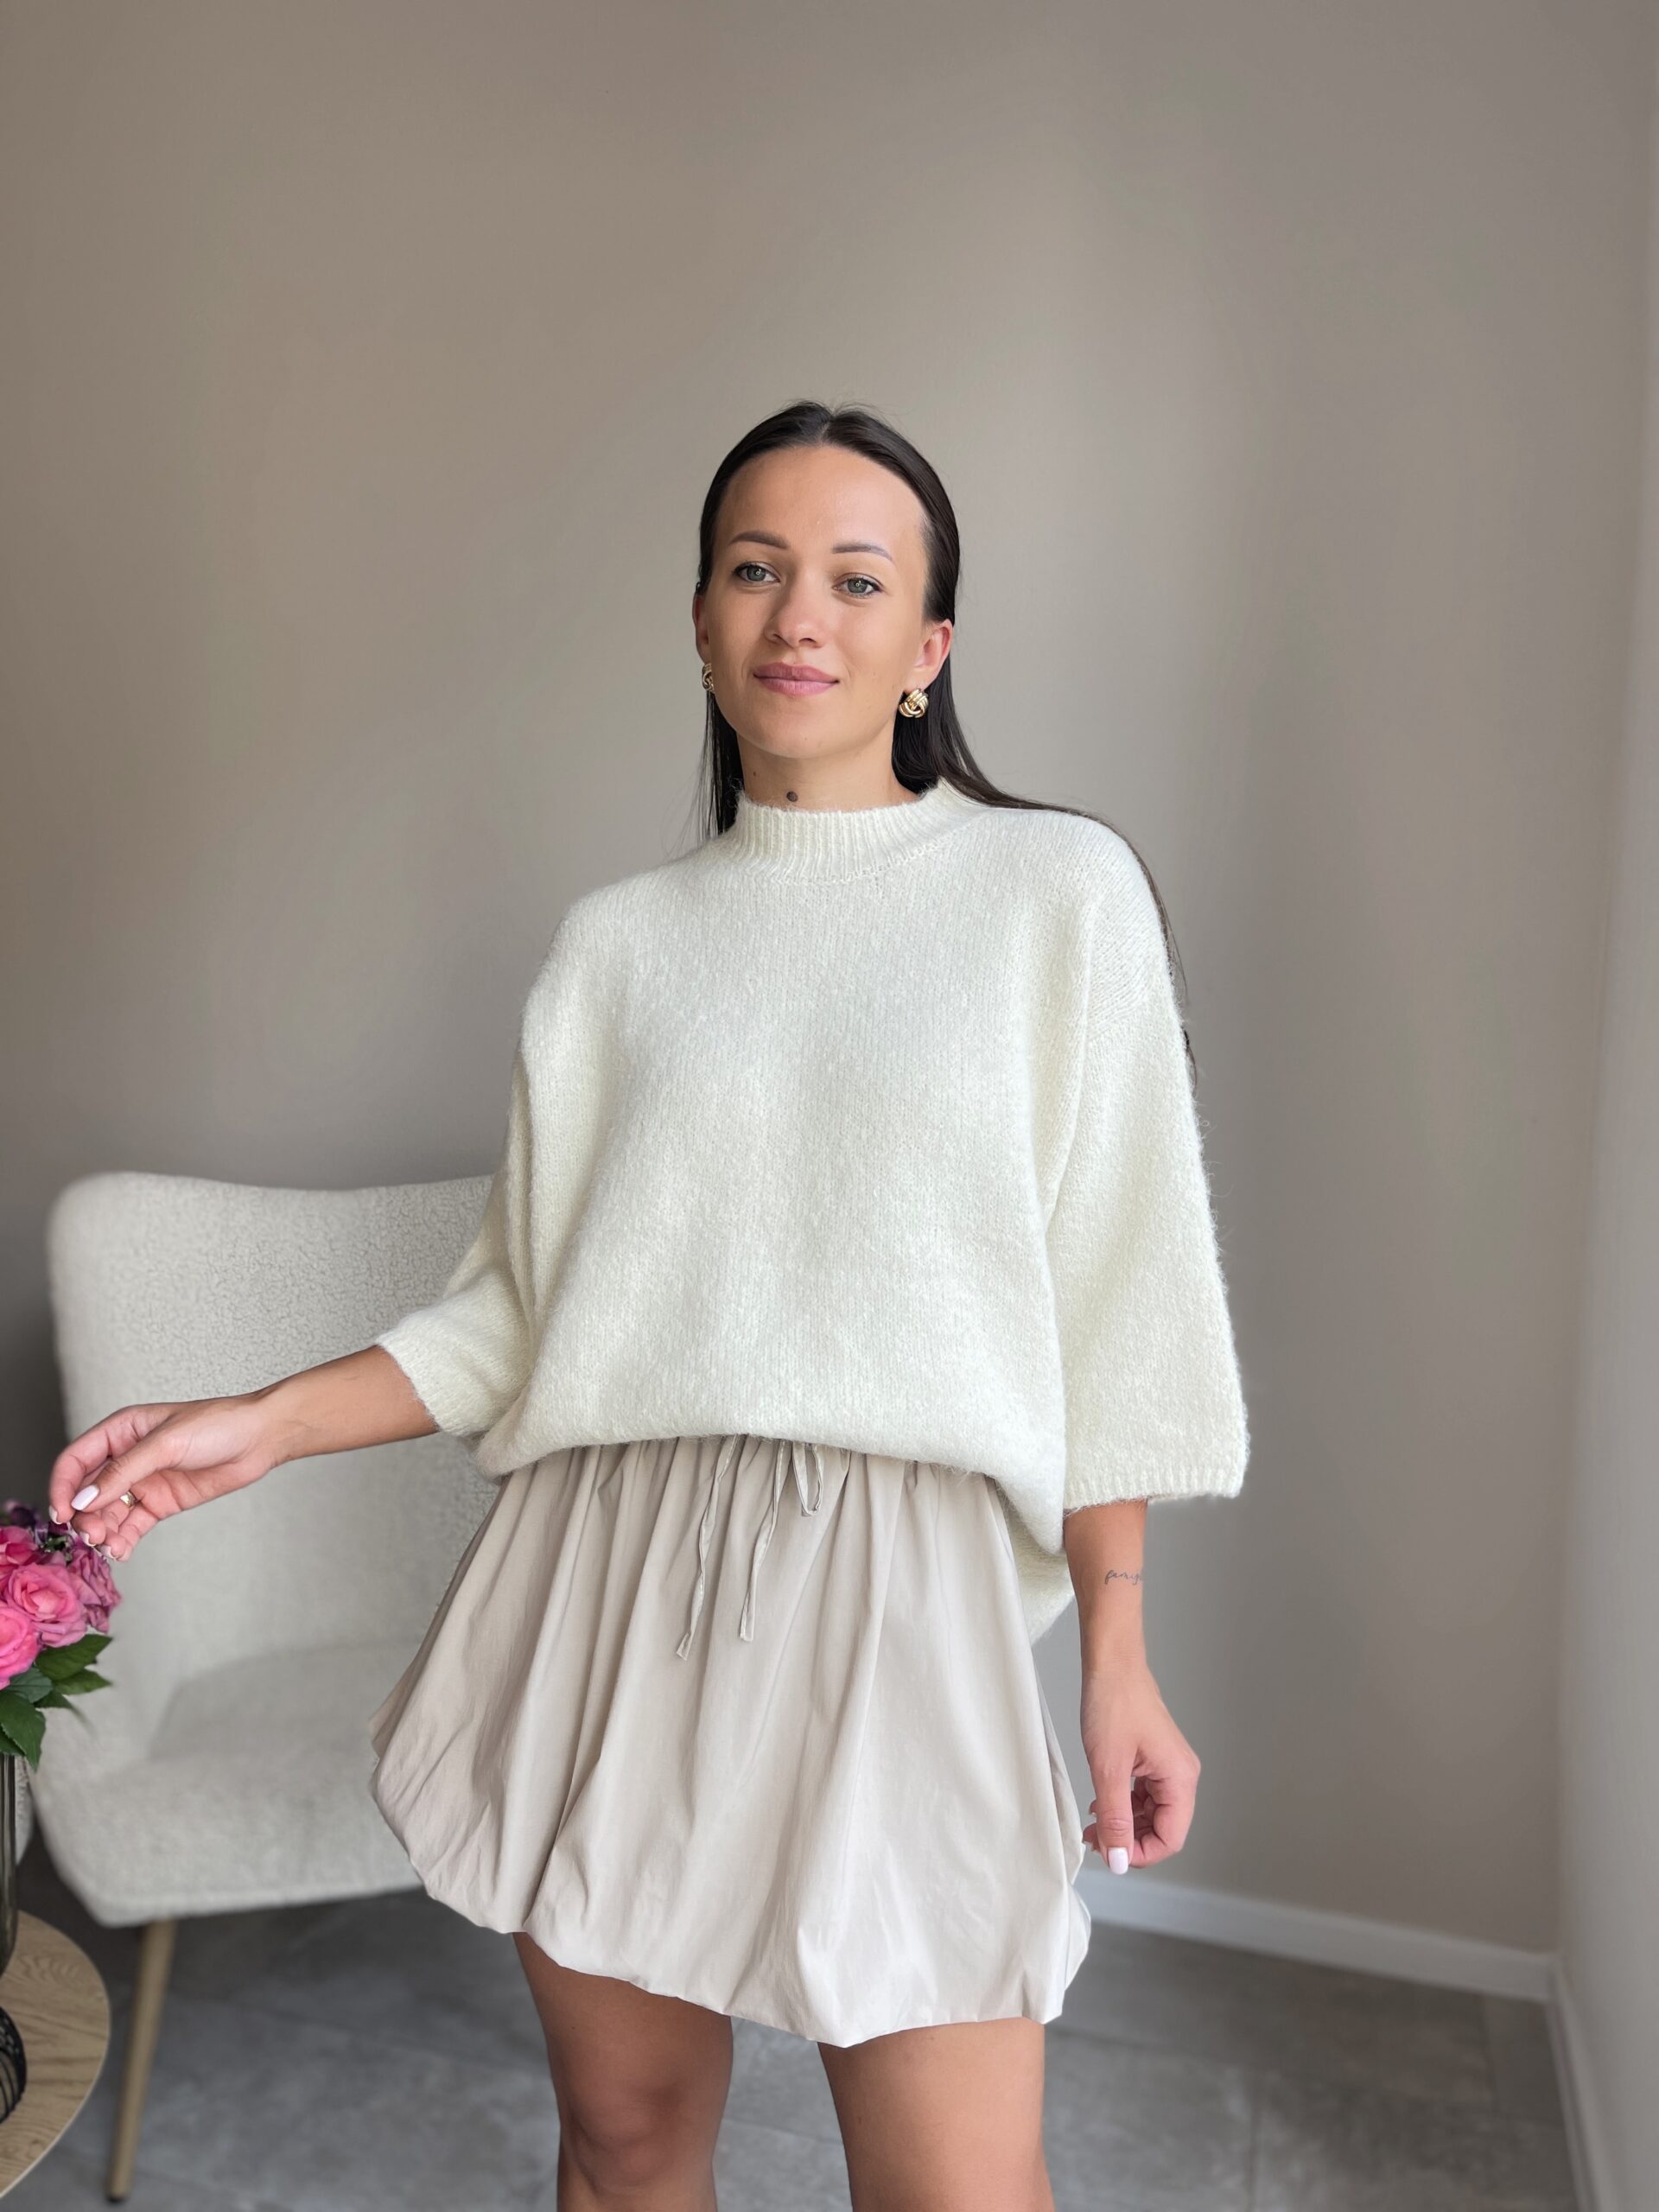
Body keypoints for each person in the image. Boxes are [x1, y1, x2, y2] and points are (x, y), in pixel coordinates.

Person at [48, 399, 1249, 2211]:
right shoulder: (620, 947)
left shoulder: (1053, 896)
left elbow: (1120, 1307)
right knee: (622, 2144)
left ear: (929, 648)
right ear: (700, 620)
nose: (801, 613)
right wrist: (259, 1421)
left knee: (957, 2186)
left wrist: (1119, 1648)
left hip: (897, 1601)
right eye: (756, 568)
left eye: (857, 578)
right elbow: (522, 1315)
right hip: (611, 1578)